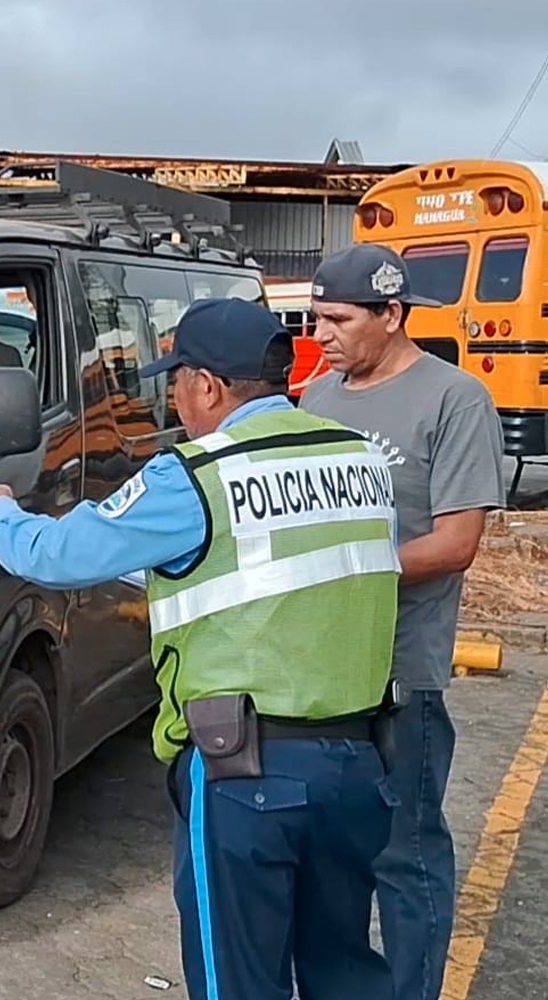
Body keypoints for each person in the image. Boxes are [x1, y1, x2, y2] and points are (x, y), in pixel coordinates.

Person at [0, 296, 404, 1000]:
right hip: (356, 769)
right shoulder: (358, 459)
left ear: (208, 386)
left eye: (176, 382)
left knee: (236, 981)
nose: (173, 399)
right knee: (342, 970)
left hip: (247, 777)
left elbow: (56, 554)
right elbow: (259, 563)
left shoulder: (197, 474)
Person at [299, 242, 507, 1000]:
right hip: (319, 674)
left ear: (391, 315)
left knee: (404, 852)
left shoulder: (455, 400)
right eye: (313, 317)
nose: (320, 335)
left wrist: (349, 571)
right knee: (330, 851)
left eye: (337, 319)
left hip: (400, 672)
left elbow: (456, 545)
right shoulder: (317, 400)